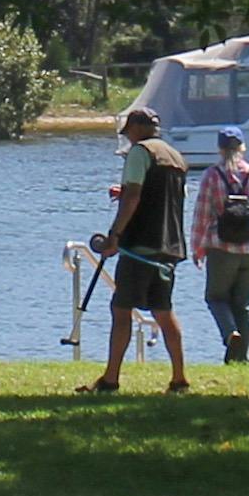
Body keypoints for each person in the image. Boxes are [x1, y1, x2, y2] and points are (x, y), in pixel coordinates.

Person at [88, 105, 193, 394]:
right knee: (163, 310)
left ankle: (110, 380)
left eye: (129, 133)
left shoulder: (140, 153)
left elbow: (134, 197)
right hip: (169, 247)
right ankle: (179, 379)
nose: (129, 139)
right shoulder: (176, 158)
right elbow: (164, 199)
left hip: (140, 246)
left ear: (135, 128)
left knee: (121, 309)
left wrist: (114, 235)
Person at [196, 126, 249, 362]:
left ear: (220, 149)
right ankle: (239, 360)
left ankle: (230, 333)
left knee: (215, 297)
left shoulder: (212, 176)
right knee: (243, 303)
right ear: (242, 147)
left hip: (221, 248)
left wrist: (198, 247)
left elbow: (202, 214)